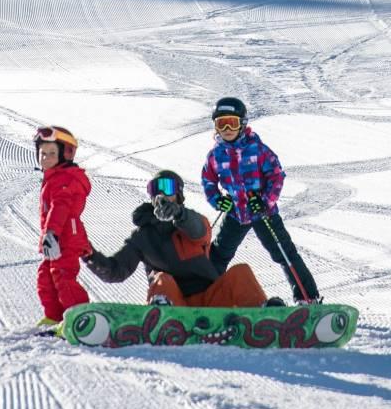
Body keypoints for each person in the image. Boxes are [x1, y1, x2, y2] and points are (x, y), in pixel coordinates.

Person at [83, 170, 276, 308]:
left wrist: (178, 214)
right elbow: (116, 271)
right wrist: (88, 254)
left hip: (211, 299)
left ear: (179, 195)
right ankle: (162, 313)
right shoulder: (142, 237)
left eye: (168, 188)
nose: (162, 195)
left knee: (241, 271)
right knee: (161, 278)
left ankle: (264, 316)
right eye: (155, 190)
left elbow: (200, 231)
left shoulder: (192, 222)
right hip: (175, 301)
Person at [201, 96, 321, 303]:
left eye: (232, 122)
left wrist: (266, 201)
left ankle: (307, 298)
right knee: (218, 257)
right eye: (221, 123)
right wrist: (218, 200)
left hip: (262, 213)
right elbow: (208, 180)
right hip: (236, 214)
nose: (227, 128)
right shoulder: (215, 155)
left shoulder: (258, 150)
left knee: (284, 253)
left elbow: (276, 175)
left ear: (243, 124)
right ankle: (207, 299)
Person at [34, 124, 91, 327]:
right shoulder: (53, 178)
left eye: (51, 153)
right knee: (45, 278)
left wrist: (52, 233)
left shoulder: (66, 180)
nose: (45, 158)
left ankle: (81, 318)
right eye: (42, 153)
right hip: (54, 239)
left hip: (66, 238)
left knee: (63, 278)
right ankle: (55, 317)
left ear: (66, 154)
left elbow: (61, 207)